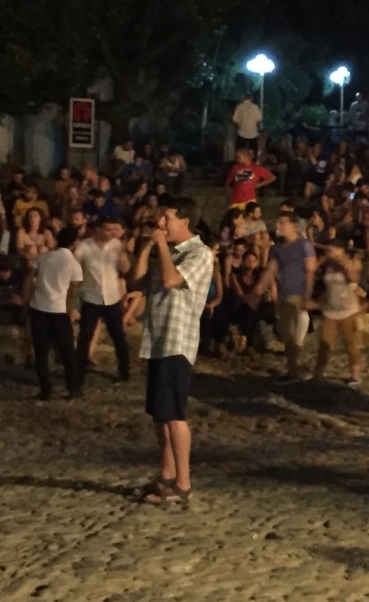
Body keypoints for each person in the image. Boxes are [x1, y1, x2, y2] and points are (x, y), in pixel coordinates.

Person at [131, 197, 214, 506]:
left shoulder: (199, 253)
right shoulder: (167, 252)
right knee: (159, 413)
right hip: (157, 339)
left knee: (175, 414)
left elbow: (170, 280)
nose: (161, 224)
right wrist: (146, 249)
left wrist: (161, 247)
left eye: (167, 218)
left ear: (185, 222)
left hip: (178, 342)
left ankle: (183, 481)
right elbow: (136, 282)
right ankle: (166, 475)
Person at [254, 214, 317, 382]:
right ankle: (296, 367)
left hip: (296, 294)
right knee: (286, 332)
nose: (278, 225)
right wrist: (260, 286)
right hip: (283, 293)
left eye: (282, 222)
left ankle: (293, 371)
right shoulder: (277, 248)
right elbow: (271, 269)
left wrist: (307, 295)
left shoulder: (304, 245)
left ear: (294, 226)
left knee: (289, 333)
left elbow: (310, 270)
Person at [26, 226, 83, 400]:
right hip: (58, 311)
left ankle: (45, 389)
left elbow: (30, 278)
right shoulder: (73, 264)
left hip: (39, 307)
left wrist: (26, 299)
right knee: (67, 352)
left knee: (41, 352)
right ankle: (73, 388)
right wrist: (69, 310)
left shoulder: (44, 257)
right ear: (74, 243)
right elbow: (73, 291)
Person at [74, 218, 132, 385]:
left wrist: (121, 252)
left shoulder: (116, 245)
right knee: (85, 336)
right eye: (107, 229)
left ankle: (124, 371)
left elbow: (125, 269)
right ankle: (79, 373)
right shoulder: (85, 246)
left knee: (118, 336)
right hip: (91, 297)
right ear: (97, 230)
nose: (110, 233)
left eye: (113, 229)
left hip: (112, 298)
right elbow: (75, 265)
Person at [313, 246, 365, 385]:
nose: (330, 253)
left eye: (333, 250)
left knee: (351, 344)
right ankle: (318, 373)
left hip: (349, 310)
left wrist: (343, 262)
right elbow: (312, 271)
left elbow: (354, 278)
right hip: (331, 310)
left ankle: (355, 374)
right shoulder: (327, 266)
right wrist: (322, 260)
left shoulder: (348, 264)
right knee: (325, 343)